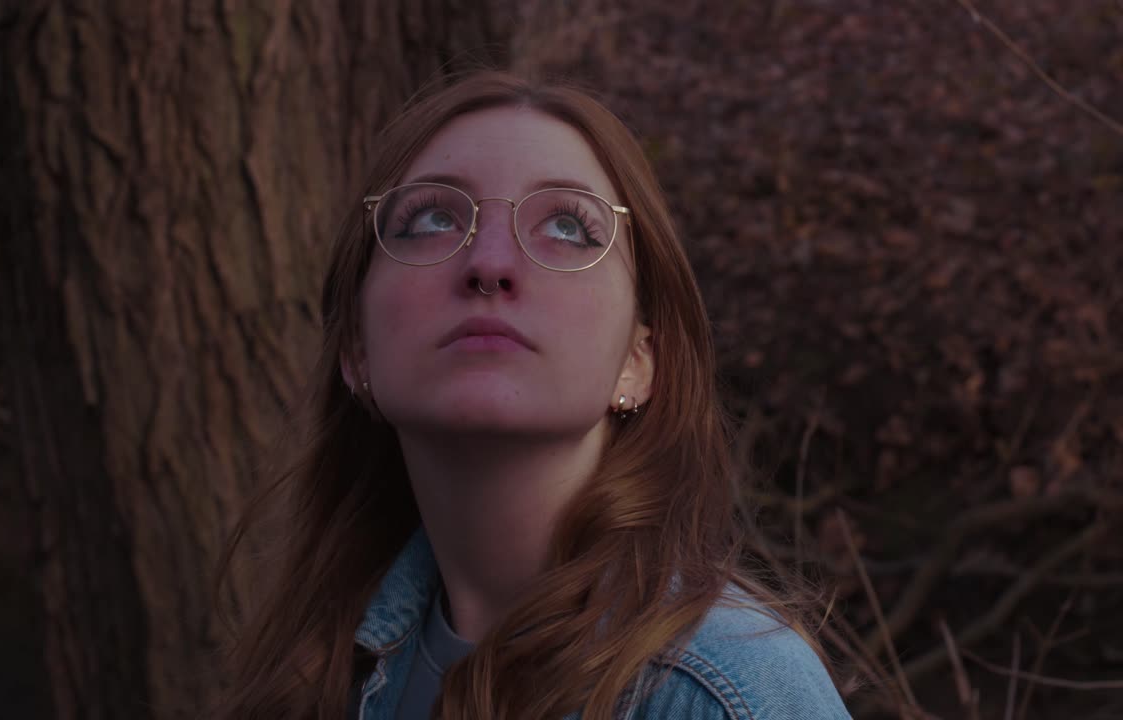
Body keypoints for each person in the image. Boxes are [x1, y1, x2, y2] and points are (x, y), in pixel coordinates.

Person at [212, 70, 851, 720]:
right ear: (355, 347)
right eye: (433, 219)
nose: (489, 264)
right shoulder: (322, 670)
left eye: (569, 228)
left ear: (639, 362)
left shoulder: (728, 693)